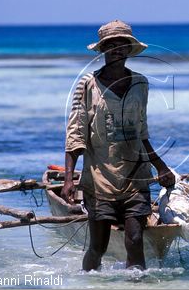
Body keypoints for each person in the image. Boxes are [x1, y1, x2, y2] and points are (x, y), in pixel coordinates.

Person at [61, 20, 175, 271]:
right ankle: (88, 283)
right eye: (111, 45)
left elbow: (141, 131)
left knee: (134, 240)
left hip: (136, 176)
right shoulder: (88, 84)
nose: (117, 50)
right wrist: (69, 179)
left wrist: (161, 167)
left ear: (128, 49)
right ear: (102, 50)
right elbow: (76, 133)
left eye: (122, 45)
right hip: (100, 177)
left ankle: (138, 285)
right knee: (98, 247)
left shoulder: (140, 83)